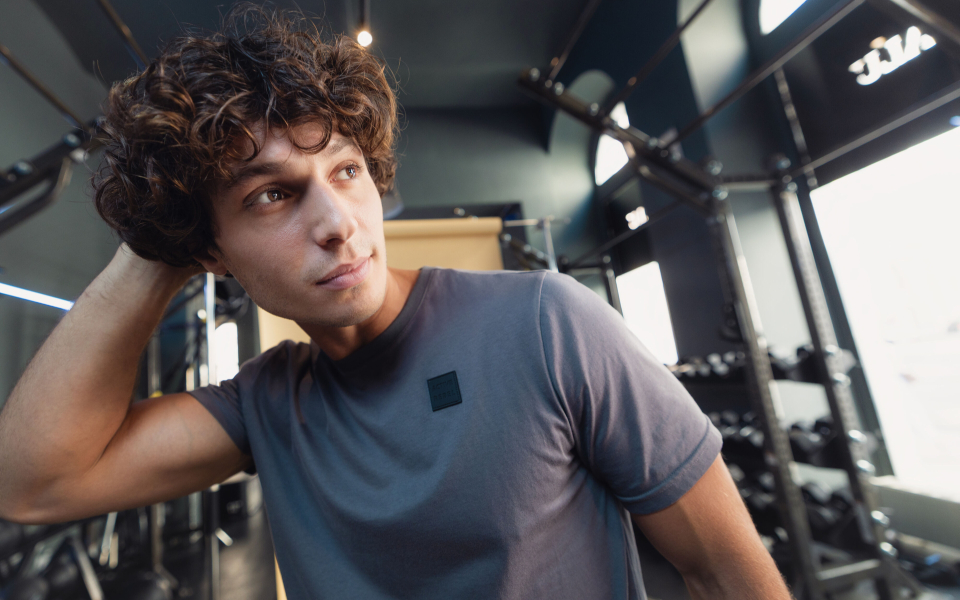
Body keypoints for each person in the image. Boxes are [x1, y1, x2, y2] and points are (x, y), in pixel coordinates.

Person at [0, 5, 793, 599]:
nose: (339, 225)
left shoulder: (550, 324)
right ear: (210, 251)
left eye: (345, 171)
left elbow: (727, 570)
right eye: (273, 195)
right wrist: (154, 243)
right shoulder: (267, 405)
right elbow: (34, 485)